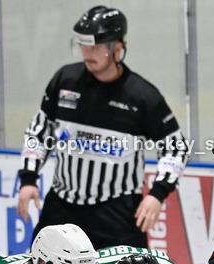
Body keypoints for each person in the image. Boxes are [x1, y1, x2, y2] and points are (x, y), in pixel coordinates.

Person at [16, 6, 190, 250]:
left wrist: (157, 194)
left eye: (96, 46)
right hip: (62, 207)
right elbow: (39, 132)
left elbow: (176, 148)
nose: (87, 53)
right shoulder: (65, 81)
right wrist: (28, 179)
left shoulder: (142, 97)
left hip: (117, 213)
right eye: (83, 45)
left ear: (117, 48)